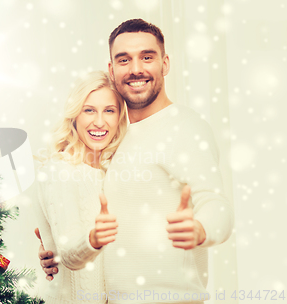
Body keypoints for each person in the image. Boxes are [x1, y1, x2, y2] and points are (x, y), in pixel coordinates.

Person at [37, 19, 234, 304]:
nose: (136, 69)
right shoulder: (116, 139)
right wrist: (54, 249)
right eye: (124, 59)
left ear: (165, 64)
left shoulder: (186, 127)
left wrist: (202, 229)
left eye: (147, 57)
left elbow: (217, 204)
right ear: (112, 70)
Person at [34, 70, 128, 304]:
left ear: (119, 117)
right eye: (89, 110)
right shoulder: (59, 170)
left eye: (109, 110)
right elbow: (68, 254)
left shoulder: (109, 172)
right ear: (75, 115)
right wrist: (94, 239)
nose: (99, 121)